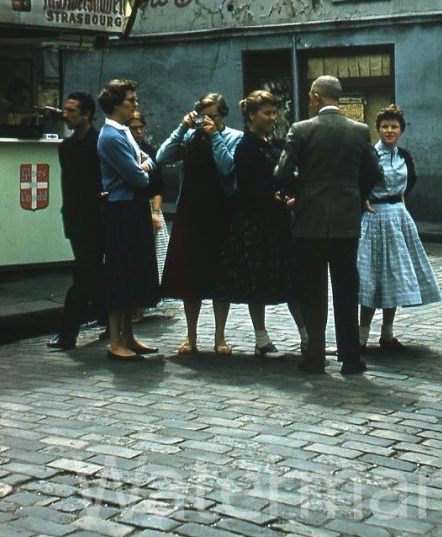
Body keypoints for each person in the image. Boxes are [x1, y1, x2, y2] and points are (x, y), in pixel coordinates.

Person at [274, 75, 383, 376]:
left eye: (311, 96)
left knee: (313, 292)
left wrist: (301, 189)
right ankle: (350, 358)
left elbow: (281, 173)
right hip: (346, 222)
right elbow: (374, 173)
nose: (310, 100)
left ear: (318, 98)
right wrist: (356, 195)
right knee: (346, 290)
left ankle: (315, 357)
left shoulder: (302, 130)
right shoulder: (359, 131)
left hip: (309, 222)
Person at [215, 90, 309, 358]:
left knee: (293, 280)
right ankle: (261, 338)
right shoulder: (246, 146)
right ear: (251, 115)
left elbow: (286, 176)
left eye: (273, 112)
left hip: (278, 220)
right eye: (266, 113)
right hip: (255, 222)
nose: (272, 117)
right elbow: (253, 189)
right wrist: (282, 202)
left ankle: (306, 337)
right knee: (257, 282)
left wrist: (291, 192)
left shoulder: (273, 143)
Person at [156, 92, 243, 354]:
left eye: (213, 116)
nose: (208, 121)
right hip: (191, 212)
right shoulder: (190, 136)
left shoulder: (233, 137)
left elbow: (229, 168)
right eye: (203, 117)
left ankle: (220, 337)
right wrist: (183, 127)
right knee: (190, 278)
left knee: (219, 277)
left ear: (223, 115)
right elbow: (162, 156)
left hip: (219, 211)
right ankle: (190, 335)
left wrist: (215, 134)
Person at [357, 104, 442, 351]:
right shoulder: (370, 155)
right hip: (376, 217)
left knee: (394, 274)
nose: (389, 131)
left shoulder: (404, 156)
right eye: (385, 127)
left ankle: (387, 334)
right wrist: (364, 199)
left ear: (401, 130)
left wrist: (400, 200)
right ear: (378, 130)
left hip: (399, 217)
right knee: (372, 277)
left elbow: (410, 179)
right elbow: (359, 181)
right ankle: (361, 336)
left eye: (394, 127)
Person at [97, 79, 160, 361]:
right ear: (115, 102)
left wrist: (142, 167)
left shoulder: (124, 132)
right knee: (120, 272)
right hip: (121, 208)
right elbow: (138, 176)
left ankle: (129, 336)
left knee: (132, 272)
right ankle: (115, 340)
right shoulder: (110, 136)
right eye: (130, 99)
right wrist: (141, 169)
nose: (135, 103)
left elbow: (148, 159)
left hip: (133, 205)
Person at [47, 92, 108, 351]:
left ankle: (68, 334)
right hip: (76, 218)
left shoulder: (99, 143)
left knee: (84, 273)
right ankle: (108, 320)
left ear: (87, 115)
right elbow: (70, 187)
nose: (66, 114)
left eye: (72, 111)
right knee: (92, 272)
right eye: (66, 109)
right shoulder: (67, 147)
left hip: (98, 217)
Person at [127, 110, 170, 318]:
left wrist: (154, 212)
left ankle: (144, 303)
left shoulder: (149, 151)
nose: (138, 132)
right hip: (130, 206)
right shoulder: (125, 150)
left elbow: (158, 188)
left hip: (149, 206)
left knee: (154, 258)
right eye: (133, 128)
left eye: (140, 127)